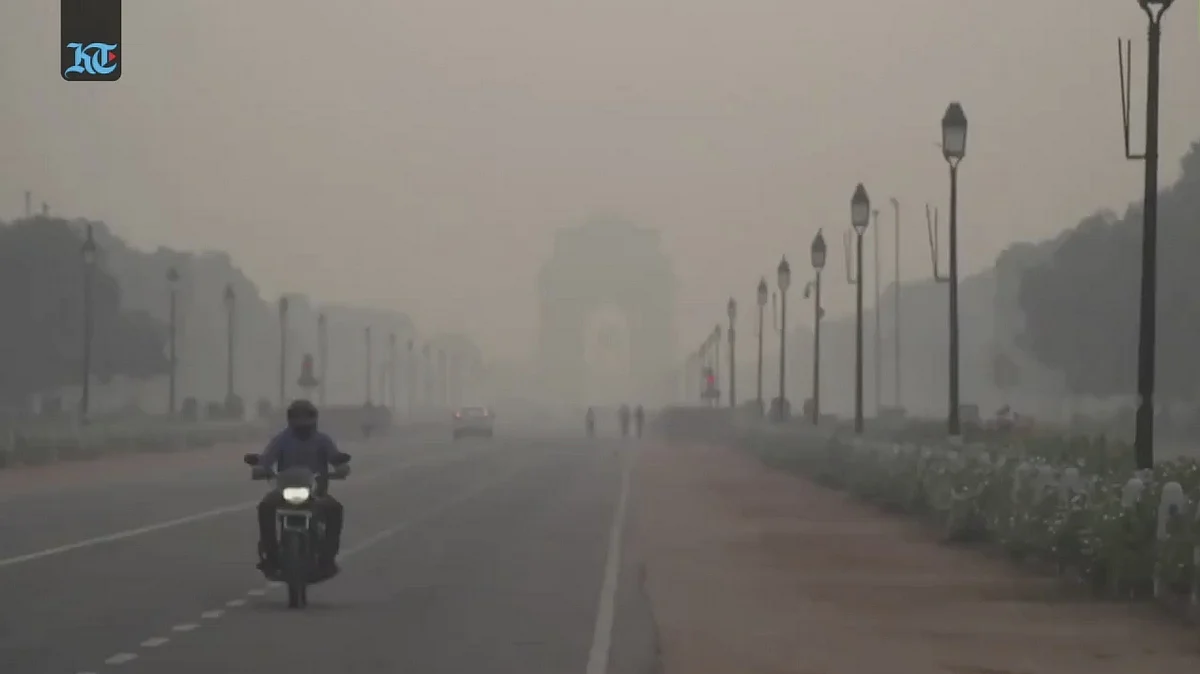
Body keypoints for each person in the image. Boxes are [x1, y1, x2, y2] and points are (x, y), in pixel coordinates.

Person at [255, 399, 347, 580]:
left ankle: (328, 557)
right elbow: (267, 458)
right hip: (285, 492)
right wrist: (260, 468)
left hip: (315, 493)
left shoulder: (322, 440)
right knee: (265, 507)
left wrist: (341, 467)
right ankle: (271, 555)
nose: (302, 422)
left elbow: (335, 458)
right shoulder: (281, 440)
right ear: (290, 419)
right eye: (298, 417)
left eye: (306, 417)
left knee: (335, 509)